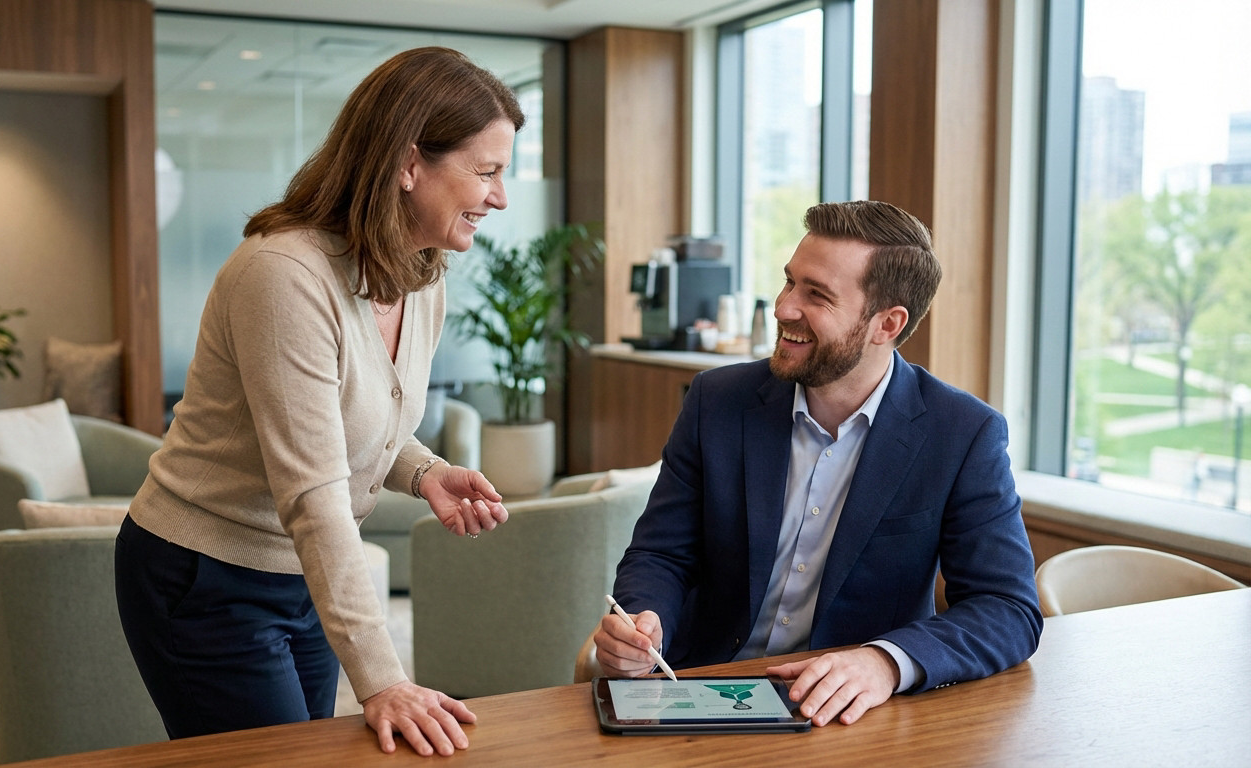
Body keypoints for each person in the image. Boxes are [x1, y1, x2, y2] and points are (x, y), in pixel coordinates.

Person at [115, 47, 517, 757]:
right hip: (205, 575)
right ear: (407, 163)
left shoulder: (424, 275)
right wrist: (386, 677)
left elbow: (366, 422)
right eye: (485, 172)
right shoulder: (284, 274)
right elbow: (312, 491)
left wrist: (423, 472)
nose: (500, 197)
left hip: (307, 572)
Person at [593, 200, 1042, 728]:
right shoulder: (718, 400)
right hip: (700, 689)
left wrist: (884, 663)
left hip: (848, 717)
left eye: (817, 295)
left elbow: (1007, 609)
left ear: (887, 323)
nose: (784, 308)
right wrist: (646, 621)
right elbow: (662, 553)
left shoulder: (962, 433)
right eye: (789, 283)